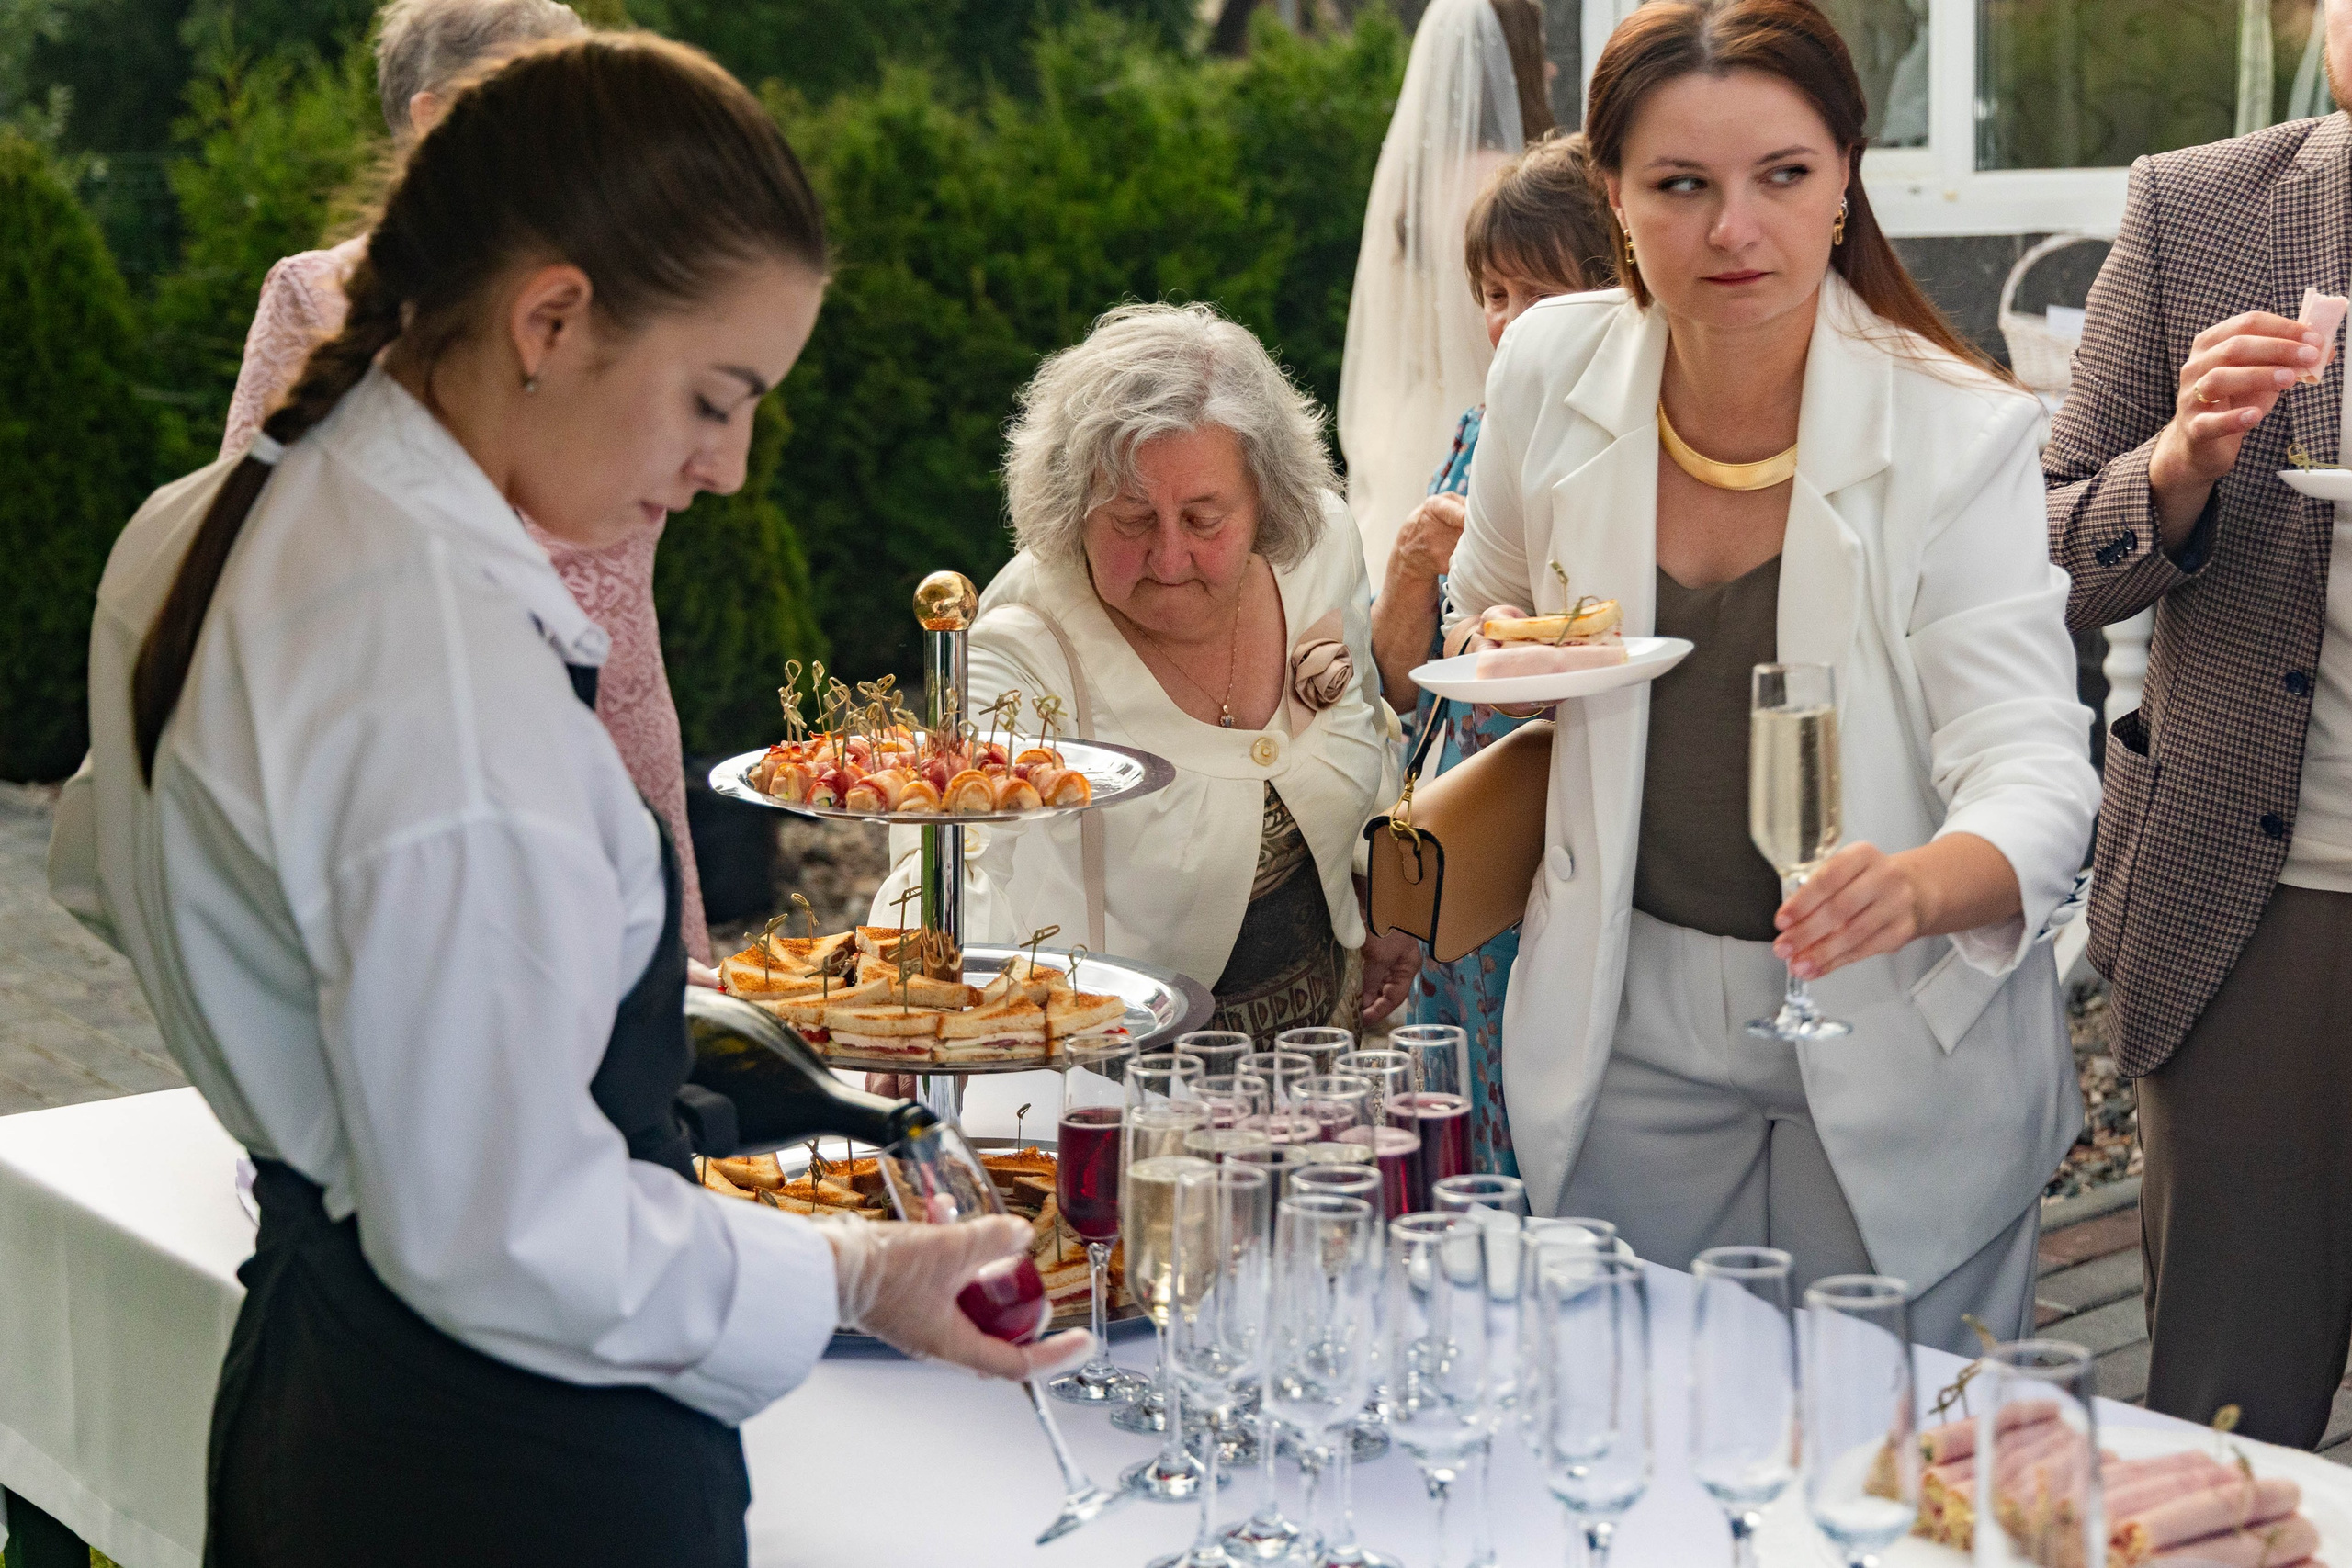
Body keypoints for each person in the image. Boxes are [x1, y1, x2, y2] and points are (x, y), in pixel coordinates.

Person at [49, 36, 1080, 1566]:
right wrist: (862, 1277)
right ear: (552, 317)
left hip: (324, 1397)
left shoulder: (201, 524)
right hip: (502, 1462)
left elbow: (91, 867)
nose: (726, 467)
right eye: (715, 397)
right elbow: (499, 1225)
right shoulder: (431, 663)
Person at [1444, 0, 2098, 1352]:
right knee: (1634, 1423)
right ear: (1614, 196)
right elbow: (1481, 615)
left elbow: (2034, 764)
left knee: (1891, 1464)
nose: (1733, 229)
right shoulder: (1546, 367)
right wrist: (1499, 649)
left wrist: (1917, 883)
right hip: (1624, 1003)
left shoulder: (1963, 431)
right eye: (1680, 185)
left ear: (1847, 179)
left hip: (1902, 1020)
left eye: (1781, 177)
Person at [222, 0, 726, 970]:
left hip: (614, 746)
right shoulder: (317, 299)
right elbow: (249, 545)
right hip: (415, 778)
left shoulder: (640, 296)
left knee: (647, 1083)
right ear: (437, 117)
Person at [2045, 0, 2352, 1448]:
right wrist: (2174, 466)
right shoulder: (2200, 207)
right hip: (2254, 910)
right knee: (2229, 1434)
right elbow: (2029, 552)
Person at [871, 302, 1420, 1056]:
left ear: (1264, 499)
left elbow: (1364, 728)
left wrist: (1381, 896)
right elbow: (941, 851)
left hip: (1325, 1055)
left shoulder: (1319, 549)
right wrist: (911, 998)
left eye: (1203, 519)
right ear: (1072, 511)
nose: (1168, 558)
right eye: (1131, 520)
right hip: (1123, 1091)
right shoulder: (1019, 646)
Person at [1368, 130, 1614, 1179]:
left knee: (1552, 1104)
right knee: (1453, 1097)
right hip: (1464, 824)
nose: (1505, 322)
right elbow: (1399, 678)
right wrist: (1412, 571)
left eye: (1532, 292)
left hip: (1563, 825)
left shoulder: (1622, 448)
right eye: (1491, 292)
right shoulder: (1479, 429)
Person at [1337, 0, 1555, 584]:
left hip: (1414, 421)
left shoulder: (1410, 187)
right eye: (1540, 51)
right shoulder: (1515, 186)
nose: (1553, 69)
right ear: (1515, 63)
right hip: (1492, 423)